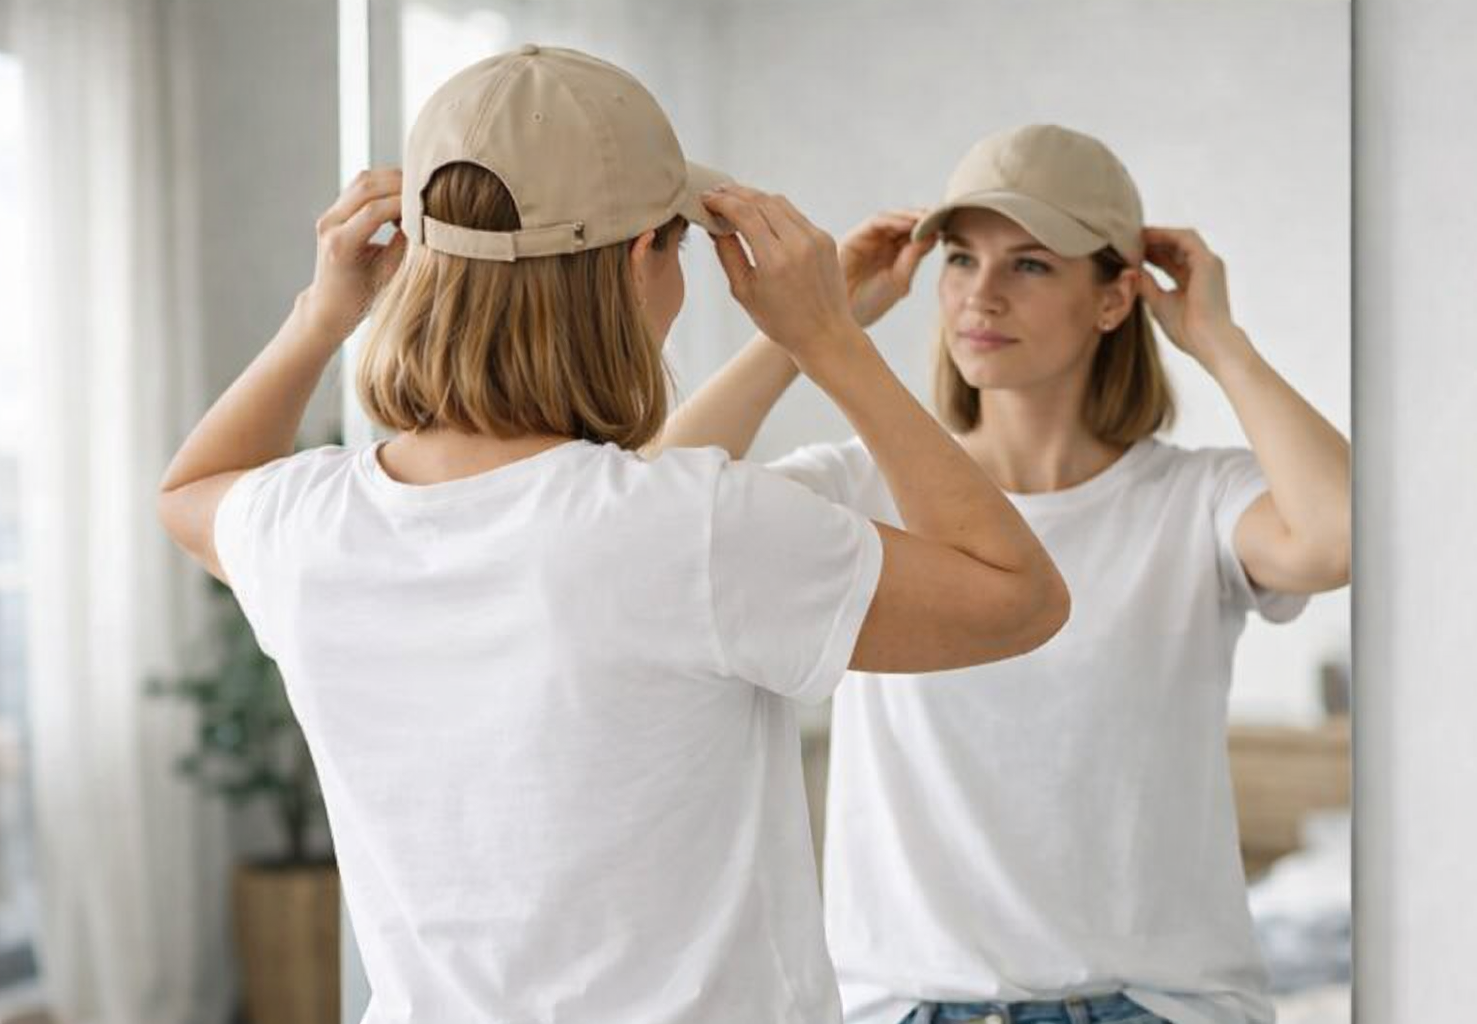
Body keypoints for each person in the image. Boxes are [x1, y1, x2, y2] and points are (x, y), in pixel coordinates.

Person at [156, 48, 1068, 1024]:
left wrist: (324, 312)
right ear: (645, 262)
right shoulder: (686, 528)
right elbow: (1019, 596)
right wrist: (828, 339)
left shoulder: (309, 526)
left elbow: (193, 487)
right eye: (676, 243)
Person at [659, 124, 1351, 1024]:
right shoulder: (859, 484)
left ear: (1113, 299)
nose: (981, 295)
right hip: (909, 1007)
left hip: (1154, 1006)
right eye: (959, 259)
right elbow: (657, 517)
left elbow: (1335, 537)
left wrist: (1220, 342)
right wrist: (813, 328)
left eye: (1030, 265)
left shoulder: (1195, 500)